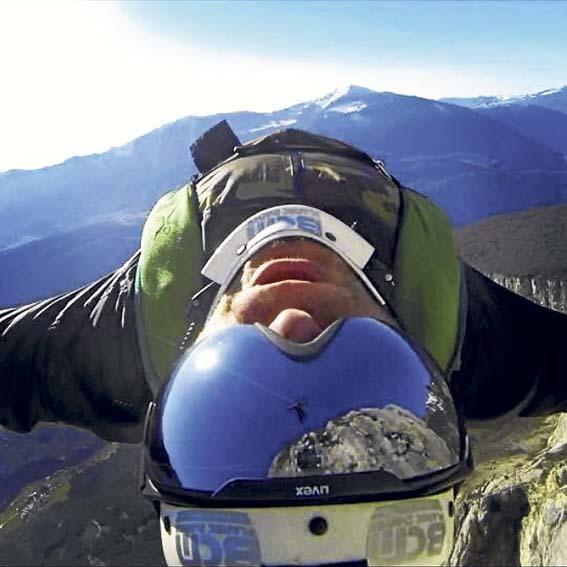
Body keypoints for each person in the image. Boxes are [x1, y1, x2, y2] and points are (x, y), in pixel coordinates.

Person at [1, 121, 566, 565]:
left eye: (234, 392)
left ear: (176, 396)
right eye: (359, 369)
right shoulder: (470, 344)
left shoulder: (123, 347)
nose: (293, 320)